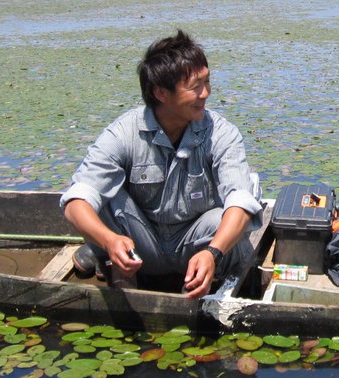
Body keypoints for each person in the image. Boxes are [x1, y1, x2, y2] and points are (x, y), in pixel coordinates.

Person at [60, 29, 262, 299]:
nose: (205, 94)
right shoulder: (123, 133)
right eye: (195, 86)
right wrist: (109, 240)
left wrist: (213, 251)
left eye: (207, 82)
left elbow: (240, 199)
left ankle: (202, 280)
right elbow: (76, 202)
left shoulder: (222, 133)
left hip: (197, 245)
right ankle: (117, 268)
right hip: (142, 247)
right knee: (106, 198)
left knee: (230, 213)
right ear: (161, 93)